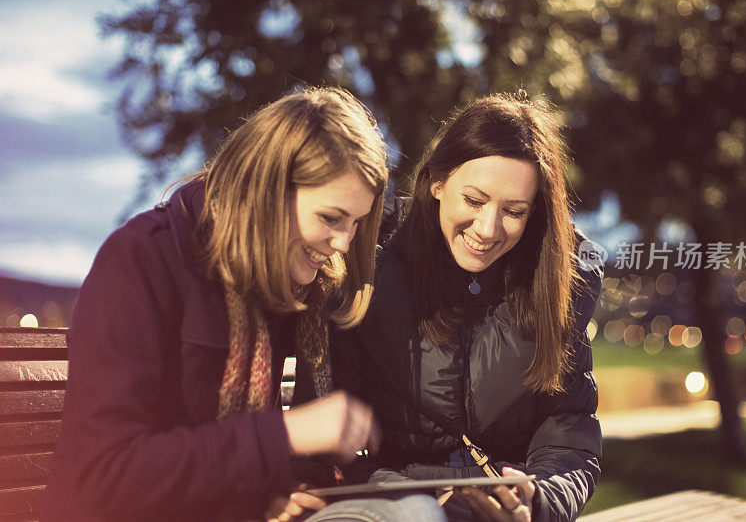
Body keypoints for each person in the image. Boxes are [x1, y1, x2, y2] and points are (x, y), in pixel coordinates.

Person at [41, 87, 444, 522]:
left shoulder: (280, 289)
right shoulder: (141, 260)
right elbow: (102, 476)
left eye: (355, 224)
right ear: (266, 193)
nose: (343, 244)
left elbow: (243, 454)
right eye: (331, 218)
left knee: (416, 512)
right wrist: (286, 434)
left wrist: (276, 490)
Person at [333, 93, 603, 522]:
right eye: (474, 201)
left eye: (513, 211)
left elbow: (569, 437)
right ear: (437, 183)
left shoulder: (559, 289)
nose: (488, 228)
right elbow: (339, 449)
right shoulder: (366, 269)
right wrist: (422, 503)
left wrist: (537, 502)